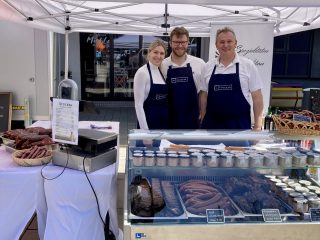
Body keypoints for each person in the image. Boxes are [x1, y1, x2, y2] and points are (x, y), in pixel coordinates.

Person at [201, 27, 264, 131]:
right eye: (222, 42)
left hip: (239, 130)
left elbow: (257, 97)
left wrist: (257, 126)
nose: (225, 45)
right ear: (216, 45)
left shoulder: (248, 65)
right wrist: (203, 119)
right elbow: (203, 96)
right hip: (211, 129)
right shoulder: (208, 66)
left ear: (235, 43)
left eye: (229, 41)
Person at [162, 27, 206, 129]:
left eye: (183, 42)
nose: (180, 45)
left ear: (188, 43)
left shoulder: (199, 64)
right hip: (169, 120)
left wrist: (203, 113)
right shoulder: (162, 65)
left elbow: (204, 92)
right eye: (176, 42)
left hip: (193, 119)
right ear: (170, 43)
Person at [134, 39, 168, 130]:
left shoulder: (161, 71)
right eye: (155, 52)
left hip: (163, 125)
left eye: (162, 53)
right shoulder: (142, 73)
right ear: (149, 53)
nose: (158, 56)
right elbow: (138, 106)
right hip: (149, 125)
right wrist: (145, 134)